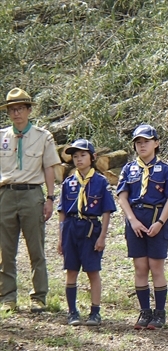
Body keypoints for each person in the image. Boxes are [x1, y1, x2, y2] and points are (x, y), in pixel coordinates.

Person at [0, 88, 61, 313]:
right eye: (11, 110)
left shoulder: (42, 136)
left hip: (31, 193)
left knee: (36, 248)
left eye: (20, 109)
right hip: (6, 195)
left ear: (28, 110)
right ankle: (7, 297)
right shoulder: (2, 136)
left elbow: (48, 168)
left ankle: (39, 296)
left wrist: (50, 198)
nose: (16, 113)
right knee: (5, 250)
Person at [117, 124, 168, 329]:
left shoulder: (164, 169)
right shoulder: (129, 169)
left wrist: (160, 222)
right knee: (140, 267)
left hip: (156, 220)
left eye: (146, 141)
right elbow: (122, 196)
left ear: (156, 143)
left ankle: (159, 313)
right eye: (138, 142)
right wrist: (132, 220)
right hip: (135, 221)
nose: (142, 145)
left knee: (156, 267)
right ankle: (144, 311)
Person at [57, 139, 116, 326]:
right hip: (71, 228)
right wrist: (60, 238)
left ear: (93, 157)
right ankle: (72, 312)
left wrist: (102, 237)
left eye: (83, 155)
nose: (79, 159)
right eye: (75, 156)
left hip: (91, 228)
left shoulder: (100, 182)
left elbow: (107, 212)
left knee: (92, 271)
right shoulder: (68, 182)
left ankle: (95, 311)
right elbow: (62, 213)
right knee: (71, 271)